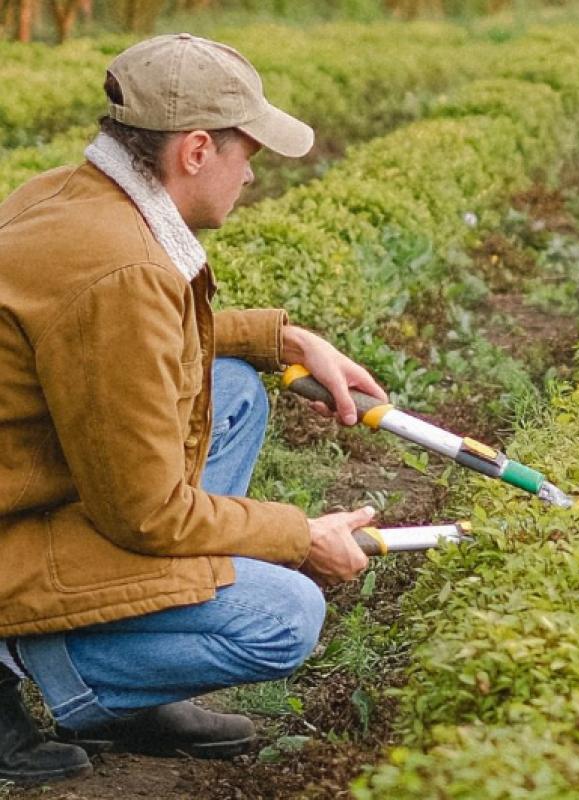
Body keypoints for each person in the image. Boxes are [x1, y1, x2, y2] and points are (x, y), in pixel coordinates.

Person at [0, 34, 384, 785]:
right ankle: (25, 659)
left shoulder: (67, 195)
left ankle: (122, 684)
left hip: (31, 489)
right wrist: (297, 536)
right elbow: (148, 516)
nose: (253, 175)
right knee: (285, 616)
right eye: (251, 154)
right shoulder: (123, 269)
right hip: (17, 531)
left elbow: (126, 338)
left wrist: (285, 339)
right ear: (198, 151)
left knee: (232, 388)